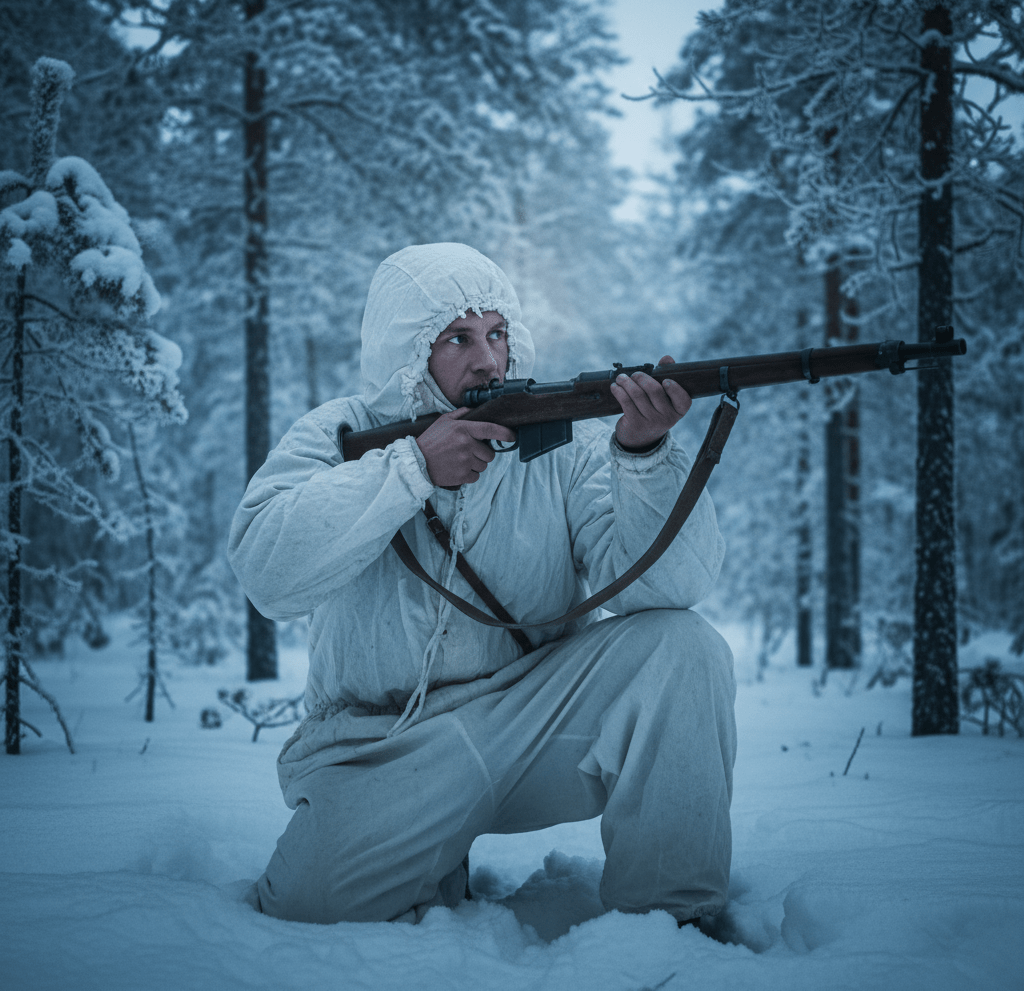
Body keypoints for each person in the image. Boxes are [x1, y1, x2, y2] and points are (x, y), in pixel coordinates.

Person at [228, 242, 736, 927]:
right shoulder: (338, 432)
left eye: (497, 333)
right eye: (458, 338)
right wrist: (411, 469)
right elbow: (267, 573)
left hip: (530, 724)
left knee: (684, 648)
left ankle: (673, 924)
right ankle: (430, 857)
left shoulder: (561, 441)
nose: (489, 360)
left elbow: (671, 587)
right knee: (309, 904)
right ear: (405, 348)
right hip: (379, 750)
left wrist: (643, 455)